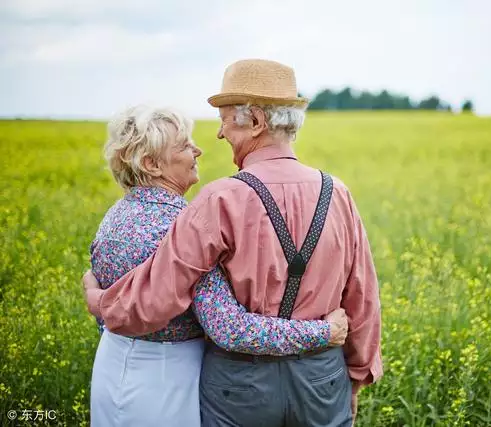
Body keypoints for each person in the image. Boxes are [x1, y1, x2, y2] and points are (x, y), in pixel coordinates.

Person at [84, 59, 383, 426]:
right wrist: (354, 377)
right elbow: (362, 296)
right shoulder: (339, 194)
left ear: (256, 121)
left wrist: (98, 299)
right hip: (322, 378)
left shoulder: (220, 199)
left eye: (225, 119)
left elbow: (156, 296)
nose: (220, 134)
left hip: (240, 388)